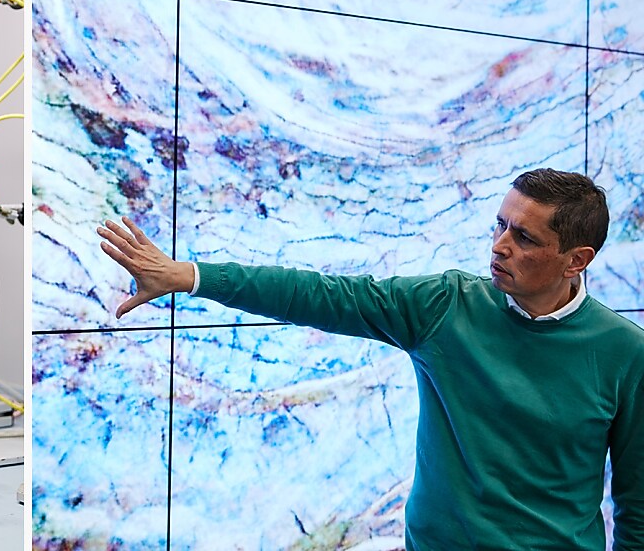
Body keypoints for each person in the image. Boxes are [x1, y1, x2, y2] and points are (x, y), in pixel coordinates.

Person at [99, 168, 644, 551]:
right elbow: (321, 294)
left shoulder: (624, 350)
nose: (499, 246)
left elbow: (637, 501)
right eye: (498, 225)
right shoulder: (446, 305)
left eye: (523, 237)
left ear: (577, 260)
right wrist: (191, 277)